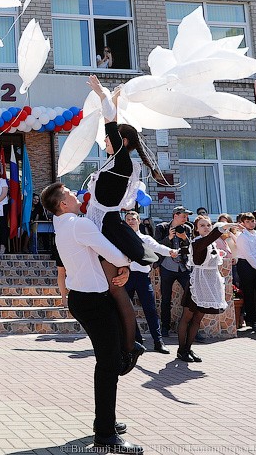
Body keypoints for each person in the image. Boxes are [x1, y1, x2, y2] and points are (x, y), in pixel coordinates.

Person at [40, 182, 142, 455]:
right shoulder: (78, 225)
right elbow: (111, 252)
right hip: (93, 301)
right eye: (71, 194)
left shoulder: (62, 225)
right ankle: (105, 434)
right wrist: (127, 264)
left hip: (84, 299)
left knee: (120, 352)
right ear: (63, 203)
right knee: (109, 365)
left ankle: (105, 421)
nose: (76, 195)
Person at [85, 75, 164, 372]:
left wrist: (101, 92)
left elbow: (109, 122)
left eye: (110, 138)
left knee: (115, 290)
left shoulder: (121, 161)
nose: (105, 141)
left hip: (105, 225)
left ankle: (131, 345)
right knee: (108, 290)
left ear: (122, 142)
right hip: (99, 223)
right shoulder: (116, 163)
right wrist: (113, 99)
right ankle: (127, 342)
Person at [177, 215, 241, 362]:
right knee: (187, 317)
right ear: (197, 229)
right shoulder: (198, 242)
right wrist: (225, 227)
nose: (206, 228)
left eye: (208, 225)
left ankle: (188, 348)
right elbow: (210, 238)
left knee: (198, 318)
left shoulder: (212, 243)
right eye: (202, 225)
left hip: (208, 284)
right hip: (197, 284)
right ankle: (181, 350)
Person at [122, 211, 172, 354]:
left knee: (150, 310)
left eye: (133, 219)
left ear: (138, 221)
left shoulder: (145, 238)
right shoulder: (121, 238)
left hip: (143, 278)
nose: (131, 221)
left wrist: (172, 252)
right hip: (127, 277)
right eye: (128, 219)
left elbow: (158, 248)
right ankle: (135, 339)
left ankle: (158, 341)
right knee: (127, 310)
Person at [155, 206, 194, 337]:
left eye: (186, 216)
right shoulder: (162, 227)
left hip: (183, 267)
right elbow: (156, 246)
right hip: (167, 266)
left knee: (191, 295)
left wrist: (184, 238)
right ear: (175, 215)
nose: (186, 218)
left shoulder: (187, 228)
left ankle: (191, 326)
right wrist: (169, 238)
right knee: (166, 298)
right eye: (183, 216)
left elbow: (190, 248)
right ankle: (165, 327)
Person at [234, 211, 256, 332]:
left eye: (252, 221)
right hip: (245, 265)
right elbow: (248, 255)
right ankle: (253, 320)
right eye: (248, 222)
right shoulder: (241, 237)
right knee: (249, 293)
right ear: (242, 223)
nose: (251, 223)